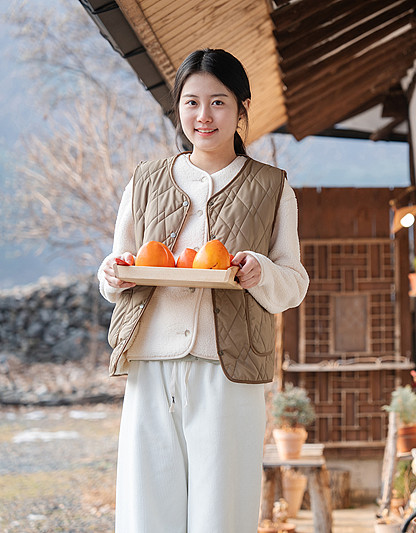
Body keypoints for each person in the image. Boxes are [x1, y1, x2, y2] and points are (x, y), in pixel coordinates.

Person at [97, 48, 309, 533]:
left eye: (218, 102)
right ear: (178, 108)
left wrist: (260, 272)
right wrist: (112, 274)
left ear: (241, 108)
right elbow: (117, 268)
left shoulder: (273, 188)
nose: (203, 115)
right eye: (191, 102)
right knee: (147, 506)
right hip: (151, 364)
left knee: (222, 511)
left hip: (228, 370)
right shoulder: (144, 182)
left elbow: (293, 282)